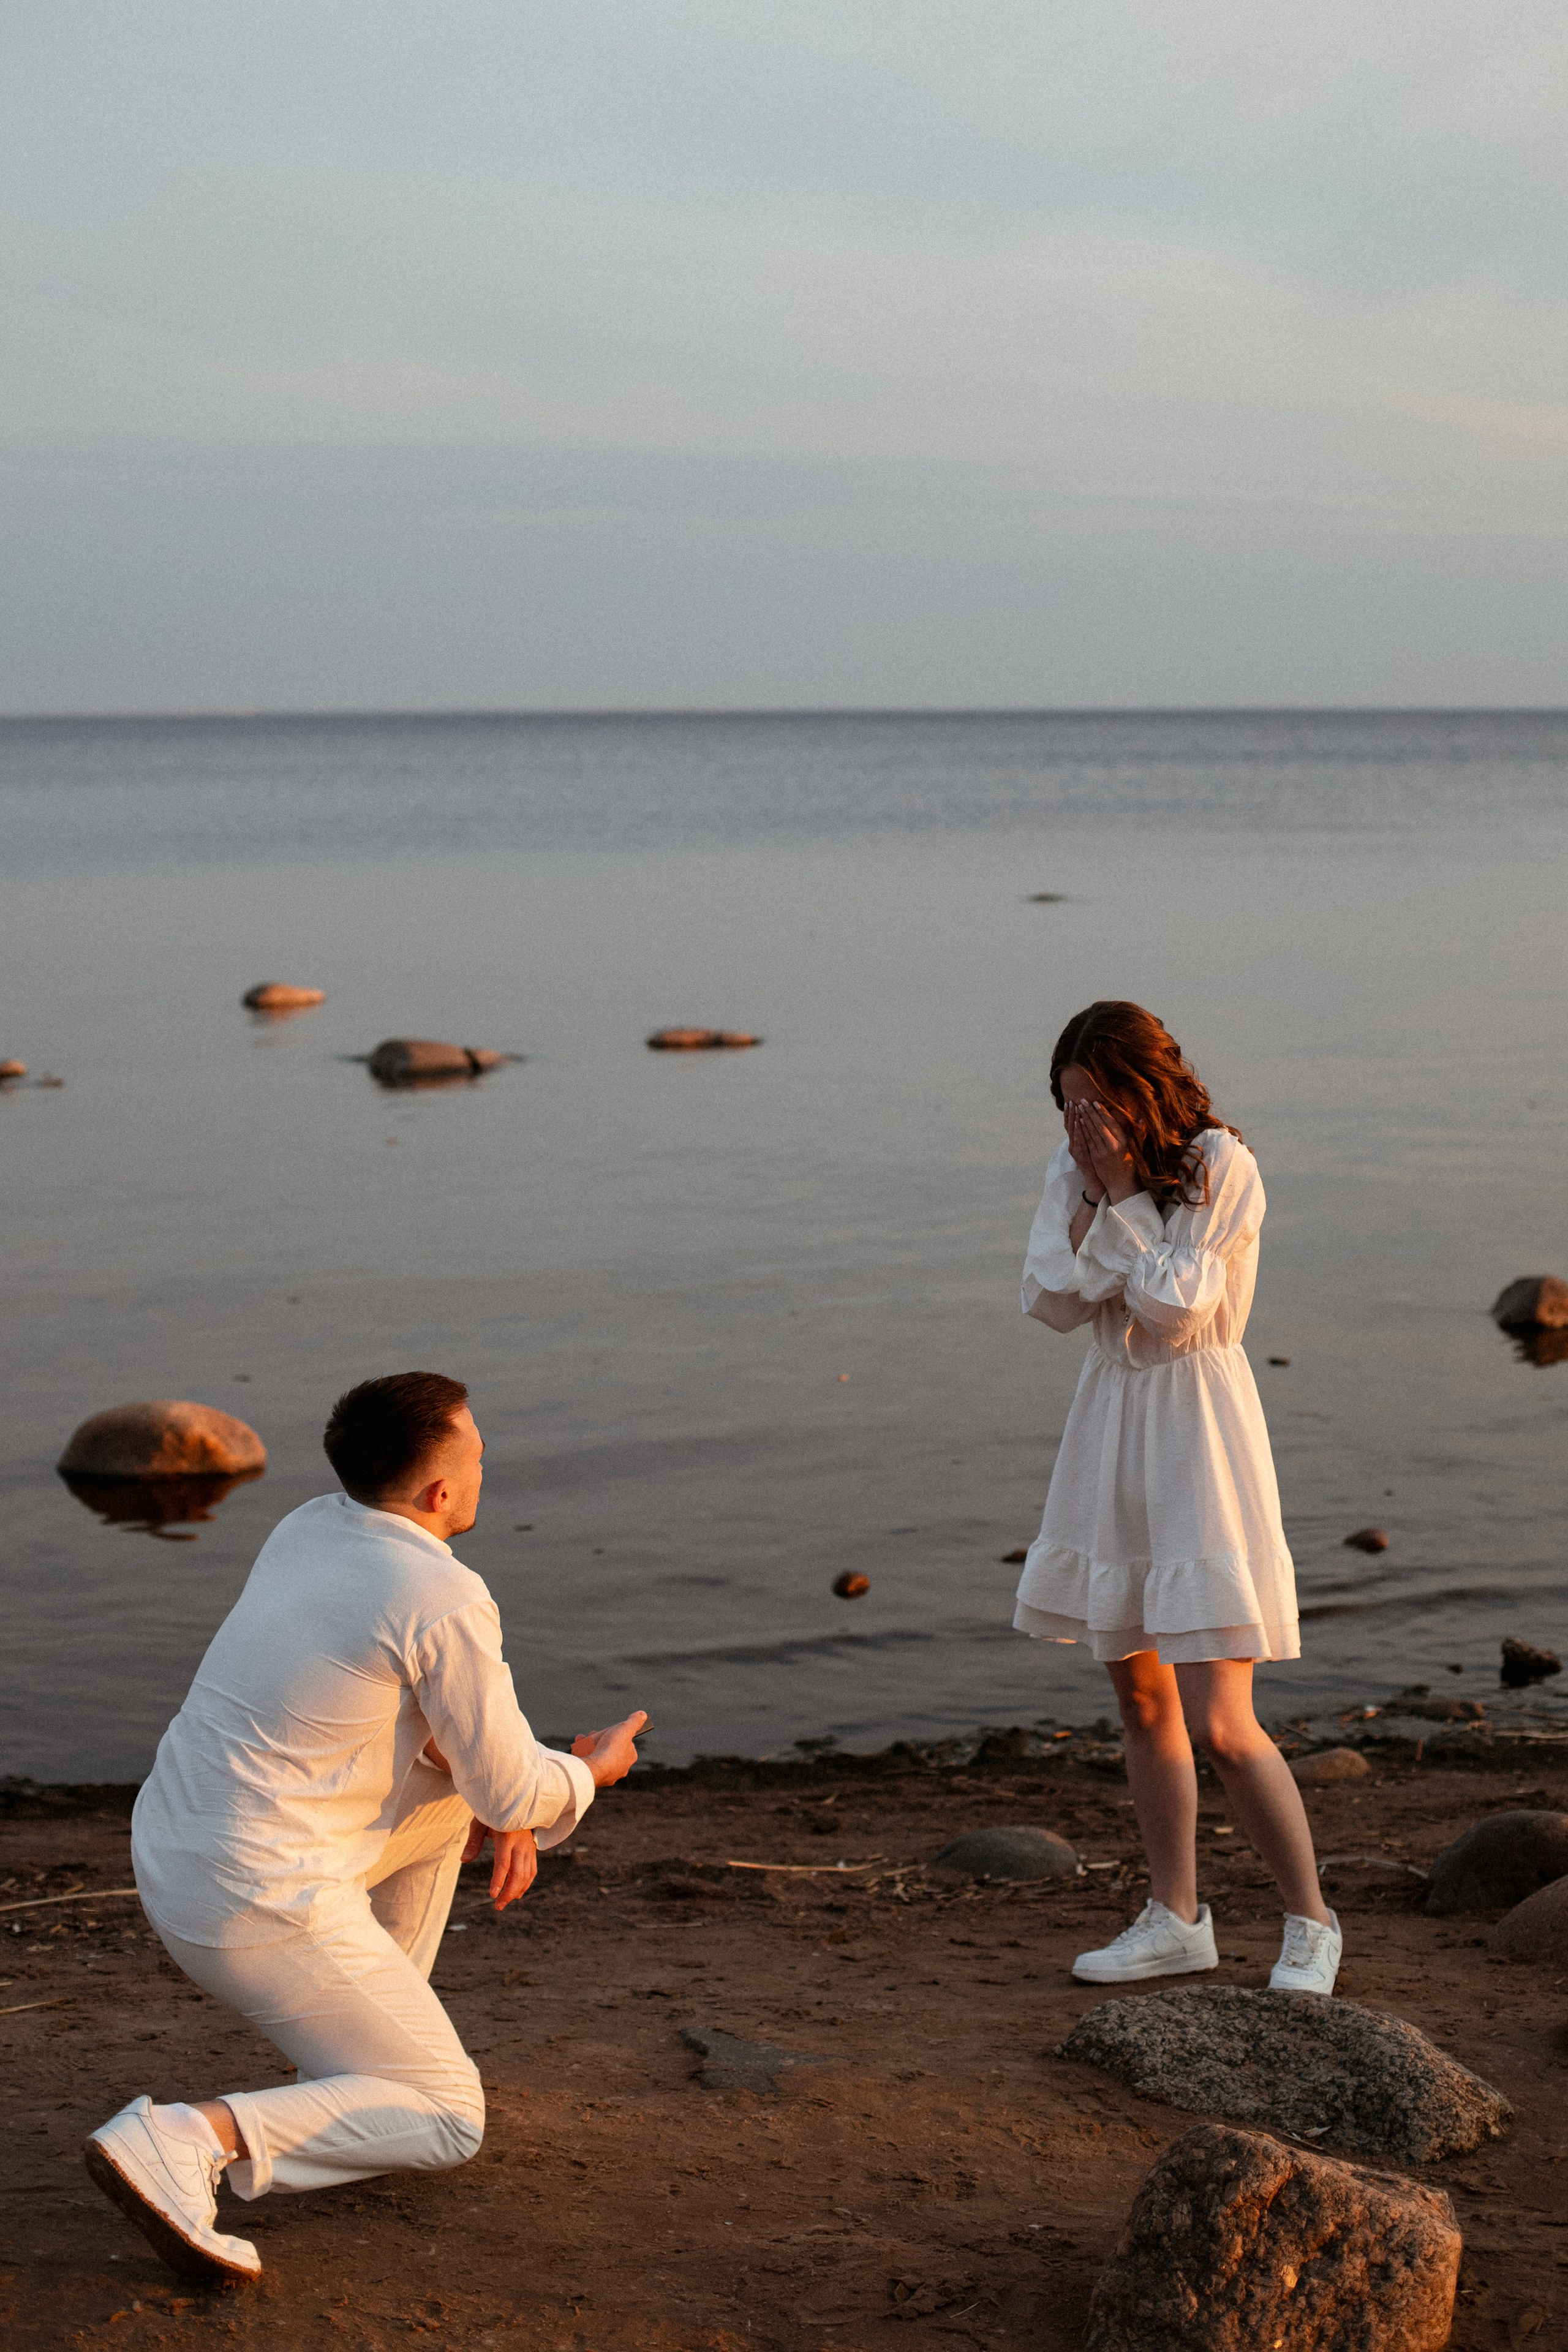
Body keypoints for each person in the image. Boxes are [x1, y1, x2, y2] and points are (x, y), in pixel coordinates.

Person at [83, 1371, 646, 2282]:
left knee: (468, 1790)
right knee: (452, 2116)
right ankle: (187, 2138)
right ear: (439, 1492)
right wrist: (589, 1770)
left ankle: (352, 2069)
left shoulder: (308, 1527)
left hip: (175, 1846)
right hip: (257, 1900)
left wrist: (493, 1801)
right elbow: (515, 1790)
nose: (484, 1464)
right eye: (478, 1455)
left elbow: (465, 1765)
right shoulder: (444, 1594)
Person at [1012, 1002, 1340, 1995]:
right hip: (1110, 1424)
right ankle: (1176, 1916)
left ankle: (1312, 1922)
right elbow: (1050, 1299)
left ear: (1137, 1087)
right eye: (1065, 1106)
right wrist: (1098, 1199)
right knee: (1138, 1692)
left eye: (1092, 1102)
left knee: (1225, 1720)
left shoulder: (1215, 1165)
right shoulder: (1073, 1172)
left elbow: (1178, 1303)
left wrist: (1113, 1201)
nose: (1078, 1127)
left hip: (1199, 1429)